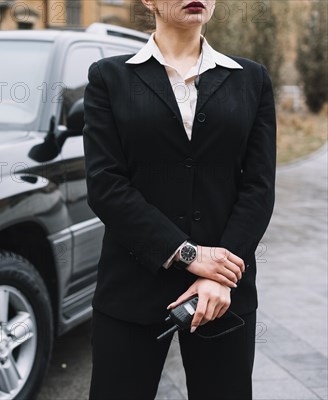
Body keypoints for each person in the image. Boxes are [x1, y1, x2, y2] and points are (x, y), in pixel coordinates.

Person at [83, 0, 276, 399]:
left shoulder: (251, 80)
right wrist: (189, 255)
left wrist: (219, 273)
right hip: (131, 290)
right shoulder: (109, 77)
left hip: (223, 294)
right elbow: (106, 185)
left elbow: (258, 187)